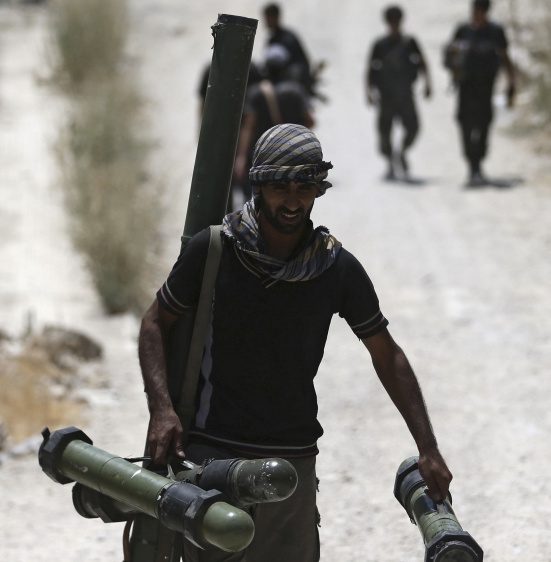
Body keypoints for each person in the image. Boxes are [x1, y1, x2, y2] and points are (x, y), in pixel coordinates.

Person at [139, 124, 454, 562]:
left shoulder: (335, 268)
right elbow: (155, 323)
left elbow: (388, 356)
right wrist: (162, 409)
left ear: (318, 189)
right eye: (280, 187)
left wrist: (428, 448)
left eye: (304, 187)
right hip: (213, 456)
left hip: (293, 461)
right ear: (258, 185)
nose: (292, 201)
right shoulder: (214, 250)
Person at [233, 45, 315, 203]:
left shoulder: (256, 92)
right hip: (288, 158)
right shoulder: (296, 91)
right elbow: (310, 121)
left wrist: (241, 157)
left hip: (260, 157)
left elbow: (249, 126)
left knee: (253, 201)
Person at [448, 0, 515, 187]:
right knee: (465, 125)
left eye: (479, 11)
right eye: (474, 11)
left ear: (486, 12)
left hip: (486, 88)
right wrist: (455, 71)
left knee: (484, 125)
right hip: (466, 88)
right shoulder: (463, 31)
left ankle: (477, 163)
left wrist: (511, 82)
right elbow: (452, 56)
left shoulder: (495, 32)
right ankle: (472, 166)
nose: (476, 15)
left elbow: (505, 56)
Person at [367, 6, 432, 181]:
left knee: (413, 128)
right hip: (386, 96)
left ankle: (401, 152)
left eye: (397, 21)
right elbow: (370, 68)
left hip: (405, 95)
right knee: (384, 132)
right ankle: (390, 162)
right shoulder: (380, 45)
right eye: (392, 21)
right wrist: (368, 92)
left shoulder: (409, 43)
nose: (394, 25)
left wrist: (428, 84)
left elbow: (422, 62)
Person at [262, 3, 319, 99]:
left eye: (268, 17)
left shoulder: (288, 37)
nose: (266, 21)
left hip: (290, 86)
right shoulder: (272, 39)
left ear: (276, 17)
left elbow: (299, 63)